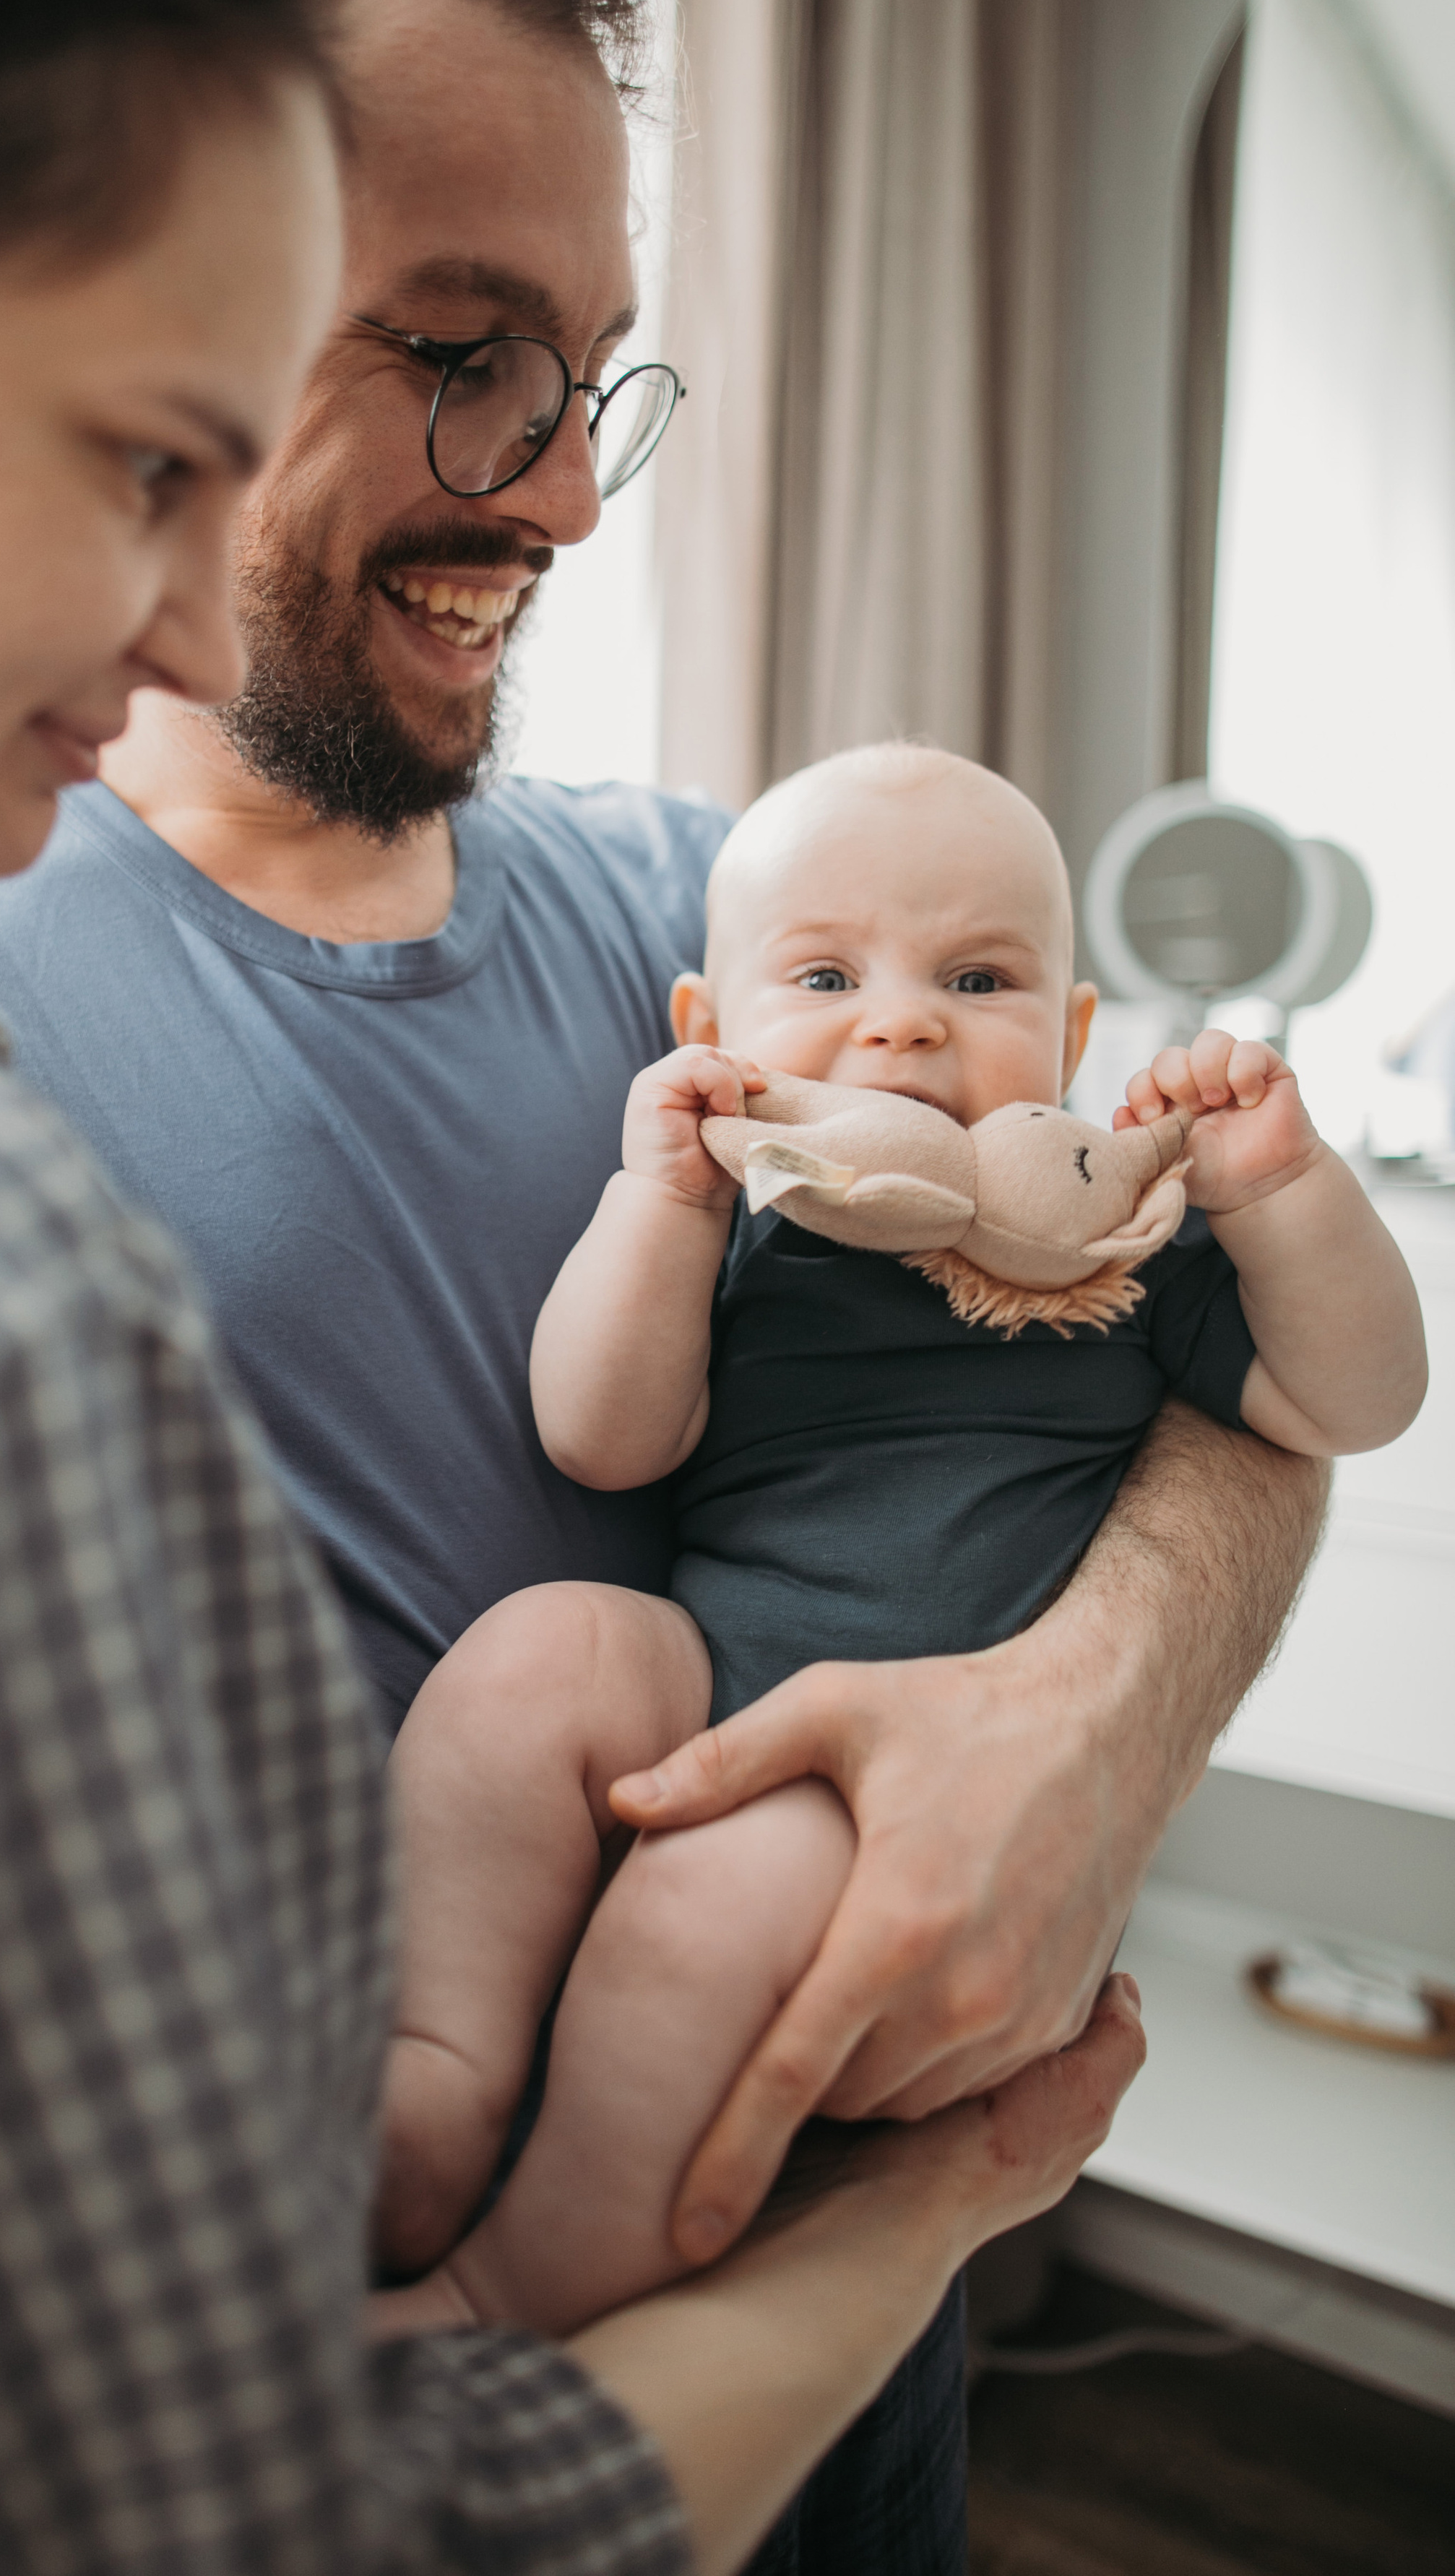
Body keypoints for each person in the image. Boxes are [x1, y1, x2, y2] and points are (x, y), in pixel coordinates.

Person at [0, 0, 1149, 2571]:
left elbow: (1173, 1299)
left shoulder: (749, 921)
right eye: (455, 353)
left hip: (842, 2451)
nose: (560, 500)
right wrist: (911, 2214)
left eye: (591, 382)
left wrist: (1086, 1711)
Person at [367, 745, 1426, 2335]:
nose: (904, 1022)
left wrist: (1278, 1192)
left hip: (924, 1796)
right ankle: (435, 2066)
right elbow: (603, 1436)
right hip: (710, 1676)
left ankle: (511, 2278)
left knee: (712, 1897)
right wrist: (662, 1204)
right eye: (823, 977)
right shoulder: (748, 1225)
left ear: (1073, 1037)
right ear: (706, 1029)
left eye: (977, 979)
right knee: (538, 1655)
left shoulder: (1131, 1252)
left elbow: (1355, 1401)